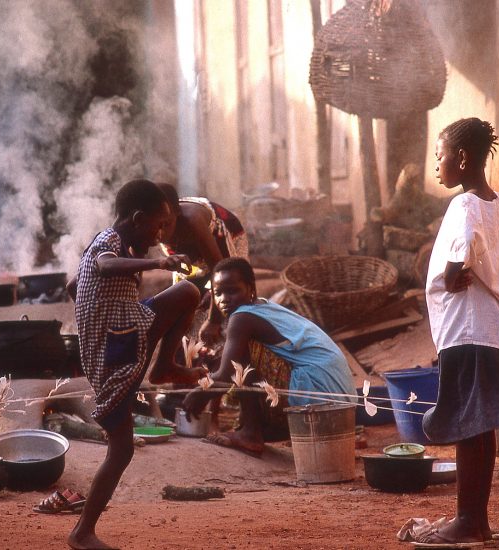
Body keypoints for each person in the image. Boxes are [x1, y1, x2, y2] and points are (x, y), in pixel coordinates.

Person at [407, 118, 499, 547]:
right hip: (493, 331)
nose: (436, 166)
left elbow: (464, 243)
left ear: (462, 158)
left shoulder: (464, 205)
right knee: (480, 428)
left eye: (440, 156)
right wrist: (491, 253)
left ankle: (467, 522)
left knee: (469, 426)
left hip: (467, 331)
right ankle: (476, 523)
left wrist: (455, 272)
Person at [68, 179, 203, 550]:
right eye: (158, 226)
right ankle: (81, 533)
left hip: (124, 335)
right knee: (122, 449)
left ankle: (164, 367)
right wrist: (159, 262)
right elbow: (104, 265)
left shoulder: (117, 244)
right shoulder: (107, 242)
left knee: (188, 292)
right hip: (116, 350)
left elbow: (75, 285)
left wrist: (90, 308)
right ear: (138, 218)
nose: (160, 235)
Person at [182, 257, 355, 456]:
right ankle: (255, 430)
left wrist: (200, 392)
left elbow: (225, 375)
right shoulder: (262, 307)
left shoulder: (242, 318)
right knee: (231, 352)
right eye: (218, 293)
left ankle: (250, 433)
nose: (224, 299)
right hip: (343, 412)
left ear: (251, 288)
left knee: (241, 353)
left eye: (232, 291)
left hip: (320, 399)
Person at [157, 182, 248, 344]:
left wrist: (213, 321)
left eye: (166, 225)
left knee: (232, 299)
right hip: (194, 256)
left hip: (223, 237)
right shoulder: (154, 224)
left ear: (176, 214)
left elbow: (222, 272)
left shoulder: (193, 221)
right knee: (184, 308)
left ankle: (233, 345)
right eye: (157, 226)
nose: (161, 232)